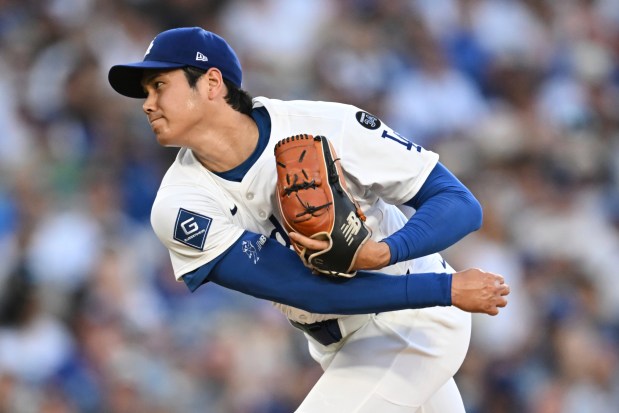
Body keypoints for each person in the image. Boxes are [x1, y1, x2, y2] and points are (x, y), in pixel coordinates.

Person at [108, 27, 509, 413]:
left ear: (212, 83)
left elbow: (458, 202)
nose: (147, 103)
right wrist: (445, 288)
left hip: (413, 319)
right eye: (145, 92)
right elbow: (308, 291)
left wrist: (388, 253)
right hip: (344, 341)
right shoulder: (179, 205)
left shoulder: (323, 125)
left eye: (159, 85)